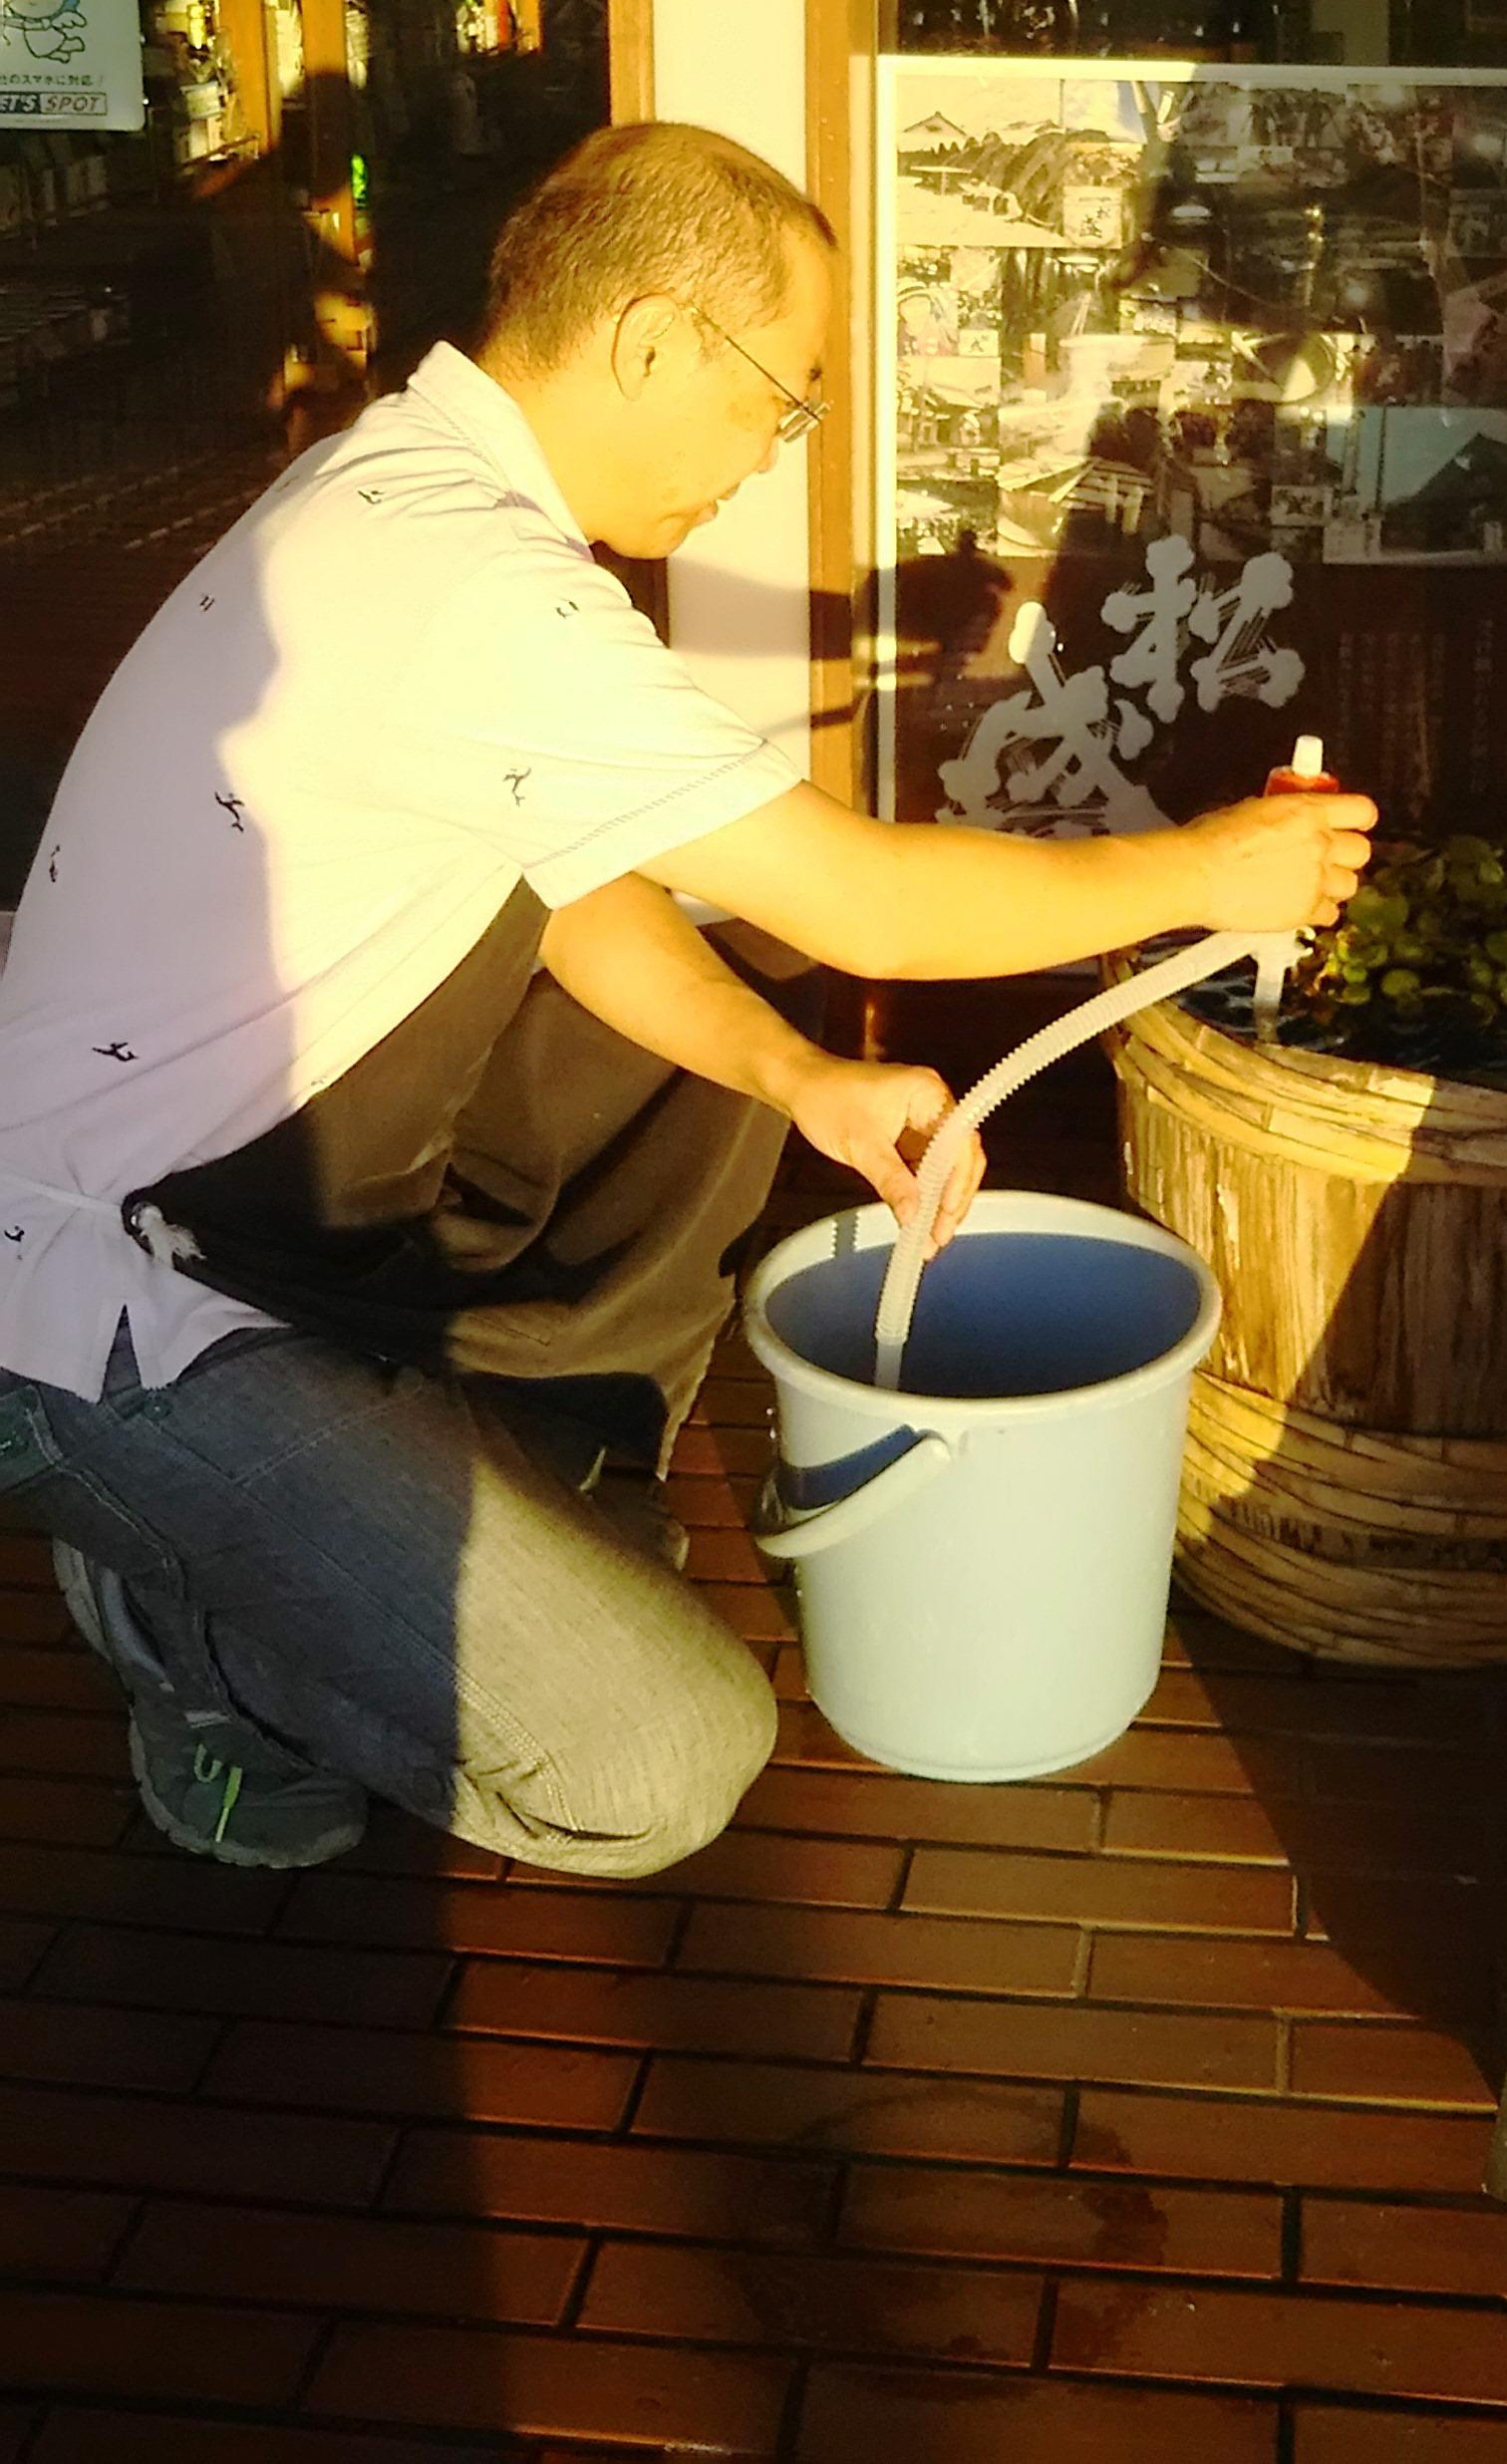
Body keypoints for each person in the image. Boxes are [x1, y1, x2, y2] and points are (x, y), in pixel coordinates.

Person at [0, 123, 1371, 1880]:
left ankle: (475, 1463)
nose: (768, 456)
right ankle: (181, 1621)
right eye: (778, 401)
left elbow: (578, 894)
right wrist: (1209, 872)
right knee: (662, 1762)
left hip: (251, 1216)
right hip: (96, 1308)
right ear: (651, 340)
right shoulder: (463, 577)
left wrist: (799, 1076)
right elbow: (869, 900)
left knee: (745, 968)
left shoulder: (414, 491)